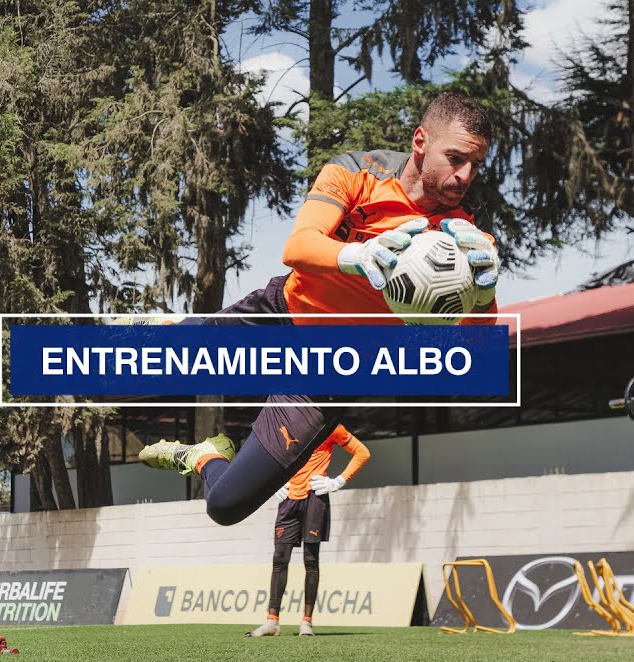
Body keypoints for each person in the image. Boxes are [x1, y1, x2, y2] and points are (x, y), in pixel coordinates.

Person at [140, 91, 501, 527]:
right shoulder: (357, 171)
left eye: (475, 165)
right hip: (281, 314)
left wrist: (484, 297)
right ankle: (177, 326)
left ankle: (204, 455)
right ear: (420, 141)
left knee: (226, 506)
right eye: (456, 158)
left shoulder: (467, 239)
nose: (465, 176)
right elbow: (298, 245)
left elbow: (476, 347)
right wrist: (357, 256)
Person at [246, 424, 370, 638]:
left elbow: (362, 452)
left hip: (315, 496)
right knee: (279, 559)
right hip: (288, 498)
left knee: (311, 560)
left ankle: (307, 623)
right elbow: (263, 454)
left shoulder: (331, 426)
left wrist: (338, 481)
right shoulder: (285, 423)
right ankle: (272, 622)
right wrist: (272, 483)